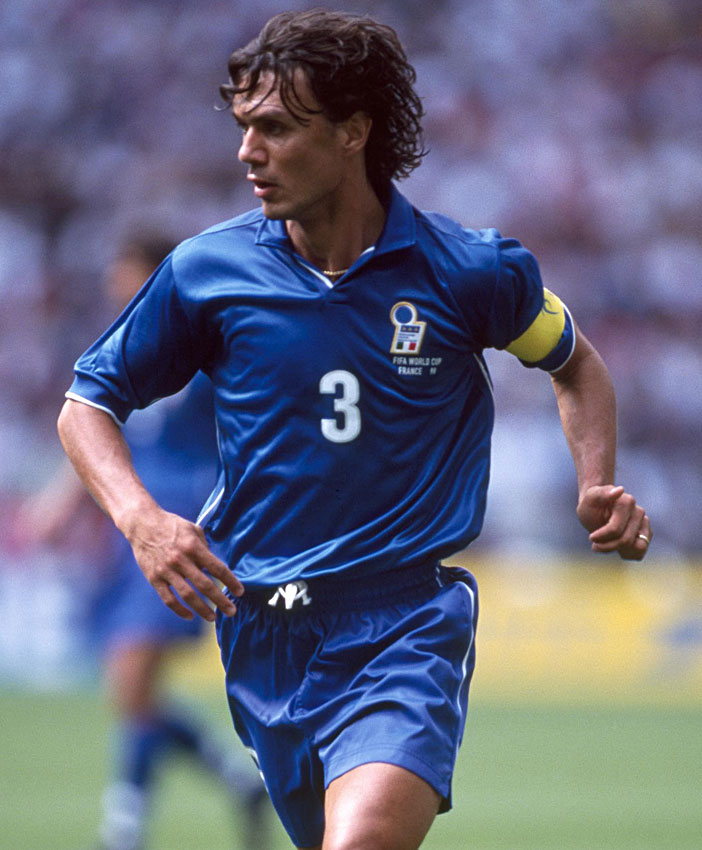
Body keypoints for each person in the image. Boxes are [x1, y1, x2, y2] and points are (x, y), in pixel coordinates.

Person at [56, 10, 652, 850]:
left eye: (275, 128)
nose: (247, 152)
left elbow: (576, 364)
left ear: (352, 131)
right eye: (243, 127)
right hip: (262, 629)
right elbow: (87, 404)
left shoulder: (470, 270)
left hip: (404, 622)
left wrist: (596, 480)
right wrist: (139, 518)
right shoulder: (205, 274)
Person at [27, 236, 268, 850]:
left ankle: (124, 827)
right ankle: (236, 780)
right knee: (131, 688)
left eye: (127, 277)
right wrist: (62, 502)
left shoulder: (207, 344)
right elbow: (99, 428)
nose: (116, 290)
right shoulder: (126, 350)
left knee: (133, 678)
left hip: (182, 525)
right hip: (130, 527)